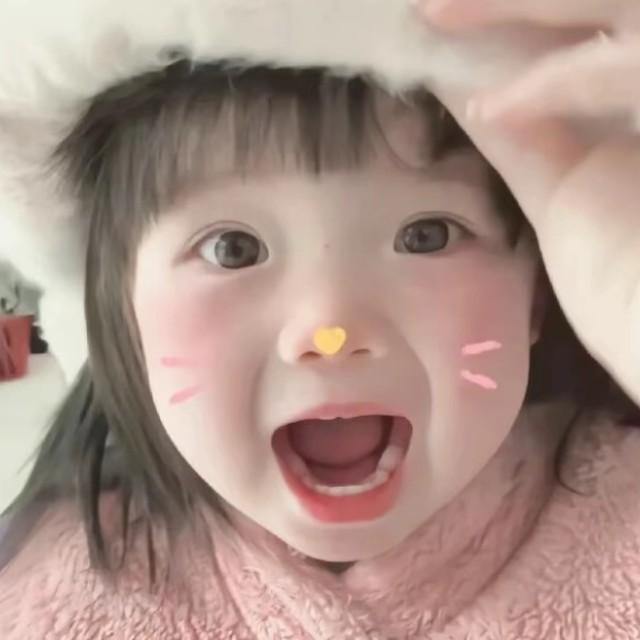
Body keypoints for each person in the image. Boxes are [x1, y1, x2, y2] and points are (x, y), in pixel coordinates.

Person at [0, 1, 639, 638]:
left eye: (427, 236)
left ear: (537, 294)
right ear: (122, 315)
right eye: (233, 249)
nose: (331, 330)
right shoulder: (43, 605)